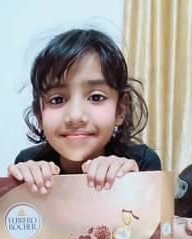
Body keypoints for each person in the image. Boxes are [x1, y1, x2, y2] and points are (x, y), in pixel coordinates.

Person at [8, 28, 161, 194]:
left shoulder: (142, 162)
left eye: (96, 97)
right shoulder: (28, 161)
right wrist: (17, 189)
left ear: (120, 110)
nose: (75, 116)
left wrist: (134, 183)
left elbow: (157, 219)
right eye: (57, 100)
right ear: (39, 114)